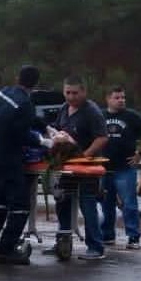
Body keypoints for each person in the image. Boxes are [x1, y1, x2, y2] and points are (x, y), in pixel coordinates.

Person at [0, 65, 42, 265]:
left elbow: (8, 118)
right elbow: (21, 133)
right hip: (8, 156)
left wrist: (45, 127)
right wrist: (44, 141)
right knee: (20, 204)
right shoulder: (25, 104)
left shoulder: (3, 93)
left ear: (17, 77)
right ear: (36, 83)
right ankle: (6, 249)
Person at [51, 77, 110, 260]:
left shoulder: (91, 112)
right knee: (62, 203)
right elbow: (57, 128)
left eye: (75, 93)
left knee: (87, 204)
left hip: (86, 168)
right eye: (67, 92)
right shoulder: (63, 108)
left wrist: (85, 155)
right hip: (66, 167)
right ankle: (63, 241)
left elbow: (102, 137)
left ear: (84, 92)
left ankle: (95, 246)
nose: (70, 96)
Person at [100, 86, 141, 249]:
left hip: (125, 167)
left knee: (129, 203)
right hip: (104, 168)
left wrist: (140, 153)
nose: (121, 100)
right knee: (106, 204)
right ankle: (107, 235)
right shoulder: (100, 115)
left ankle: (133, 237)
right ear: (108, 99)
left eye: (123, 97)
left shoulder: (131, 116)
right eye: (117, 97)